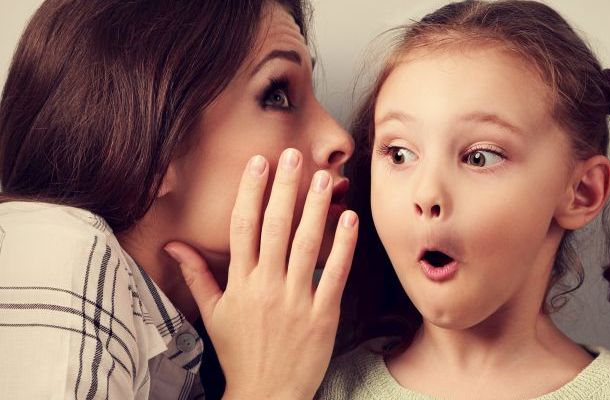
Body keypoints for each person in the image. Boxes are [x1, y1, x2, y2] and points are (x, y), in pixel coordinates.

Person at [321, 1, 610, 399]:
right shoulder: (326, 388)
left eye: (480, 157)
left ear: (581, 191)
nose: (426, 195)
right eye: (399, 153)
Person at [0, 0, 357, 398]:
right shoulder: (57, 250)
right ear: (141, 145)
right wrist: (269, 387)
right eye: (277, 96)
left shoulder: (189, 351)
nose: (340, 140)